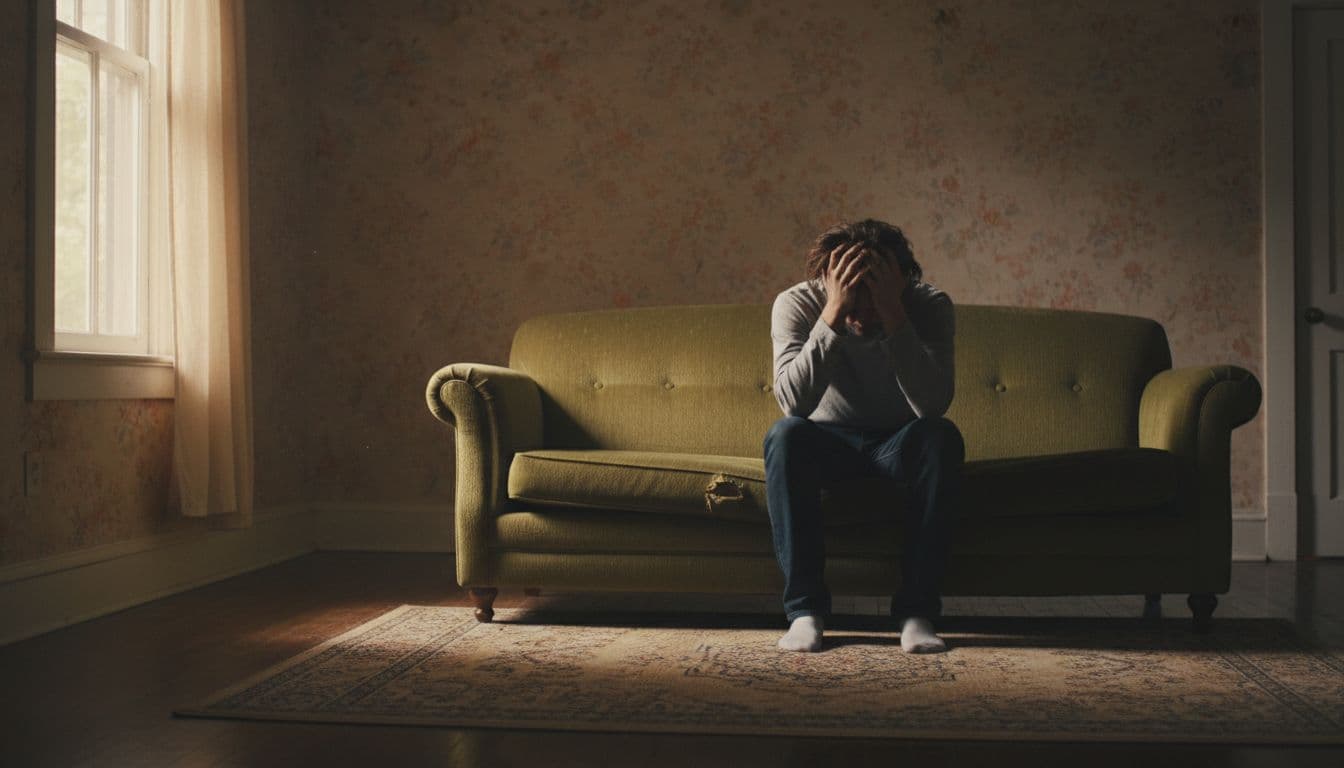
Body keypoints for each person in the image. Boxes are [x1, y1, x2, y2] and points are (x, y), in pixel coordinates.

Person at [764, 218, 964, 654]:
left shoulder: (927, 306)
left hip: (899, 441)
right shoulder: (798, 304)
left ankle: (917, 614)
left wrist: (894, 317)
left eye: (872, 297)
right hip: (825, 442)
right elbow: (793, 403)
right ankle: (804, 613)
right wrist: (832, 315)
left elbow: (931, 406)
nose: (861, 313)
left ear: (900, 282)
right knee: (785, 435)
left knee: (940, 437)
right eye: (850, 293)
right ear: (828, 281)